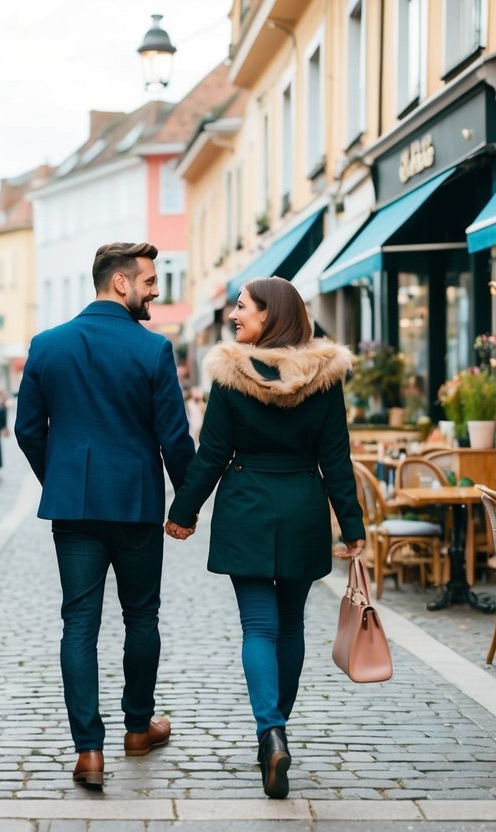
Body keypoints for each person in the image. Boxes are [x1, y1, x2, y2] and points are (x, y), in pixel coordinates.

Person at [164, 276, 365, 800]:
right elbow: (336, 458)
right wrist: (353, 526)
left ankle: (269, 729)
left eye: (242, 307)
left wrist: (184, 511)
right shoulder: (325, 376)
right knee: (291, 625)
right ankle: (276, 731)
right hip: (301, 503)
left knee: (258, 625)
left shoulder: (231, 375)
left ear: (269, 315)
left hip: (247, 503)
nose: (234, 315)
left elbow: (212, 453)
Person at [15, 241, 196, 790]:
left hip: (75, 508)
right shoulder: (152, 350)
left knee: (79, 622)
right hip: (137, 504)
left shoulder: (47, 346)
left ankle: (88, 751)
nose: (155, 290)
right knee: (142, 617)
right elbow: (174, 438)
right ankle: (138, 729)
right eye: (148, 281)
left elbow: (28, 431)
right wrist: (187, 502)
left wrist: (63, 479)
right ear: (121, 283)